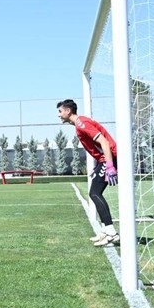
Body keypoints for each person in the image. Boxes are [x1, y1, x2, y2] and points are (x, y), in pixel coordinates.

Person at [57, 99, 120, 247]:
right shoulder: (79, 125)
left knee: (94, 193)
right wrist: (98, 165)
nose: (59, 115)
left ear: (68, 111)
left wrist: (109, 166)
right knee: (95, 193)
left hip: (109, 159)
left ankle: (111, 232)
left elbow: (104, 142)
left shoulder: (82, 124)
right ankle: (105, 230)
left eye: (60, 111)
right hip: (103, 160)